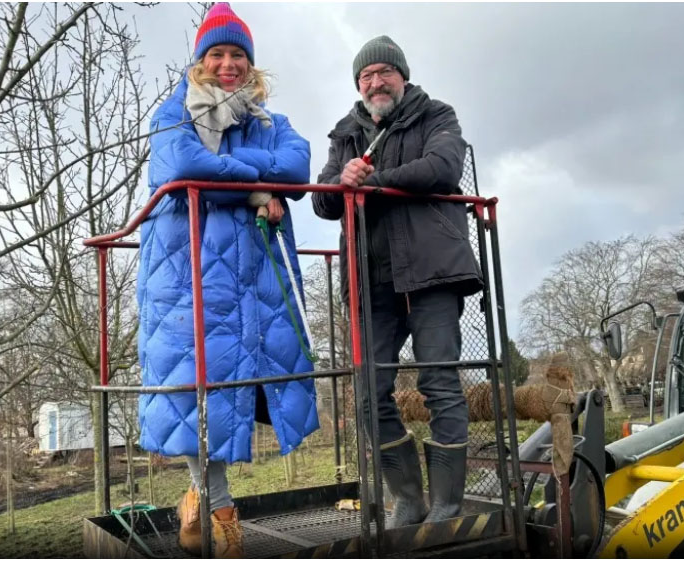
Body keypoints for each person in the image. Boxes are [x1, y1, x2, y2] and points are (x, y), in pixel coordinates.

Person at [136, 2, 318, 558]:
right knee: (193, 382)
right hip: (186, 268)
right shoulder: (172, 112)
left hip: (255, 271)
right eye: (217, 53)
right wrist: (261, 188)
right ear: (200, 60)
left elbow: (298, 166)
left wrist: (251, 181)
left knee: (238, 381)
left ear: (251, 62)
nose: (228, 64)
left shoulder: (271, 121)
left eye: (238, 54)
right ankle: (220, 508)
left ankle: (198, 501)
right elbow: (185, 167)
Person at [312, 35, 483, 528]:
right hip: (371, 280)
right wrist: (340, 180)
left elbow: (444, 168)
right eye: (366, 76)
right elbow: (323, 202)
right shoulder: (345, 133)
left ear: (402, 77)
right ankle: (408, 498)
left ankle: (447, 504)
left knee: (440, 385)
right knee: (368, 394)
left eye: (384, 72)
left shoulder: (437, 115)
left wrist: (375, 183)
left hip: (433, 275)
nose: (375, 81)